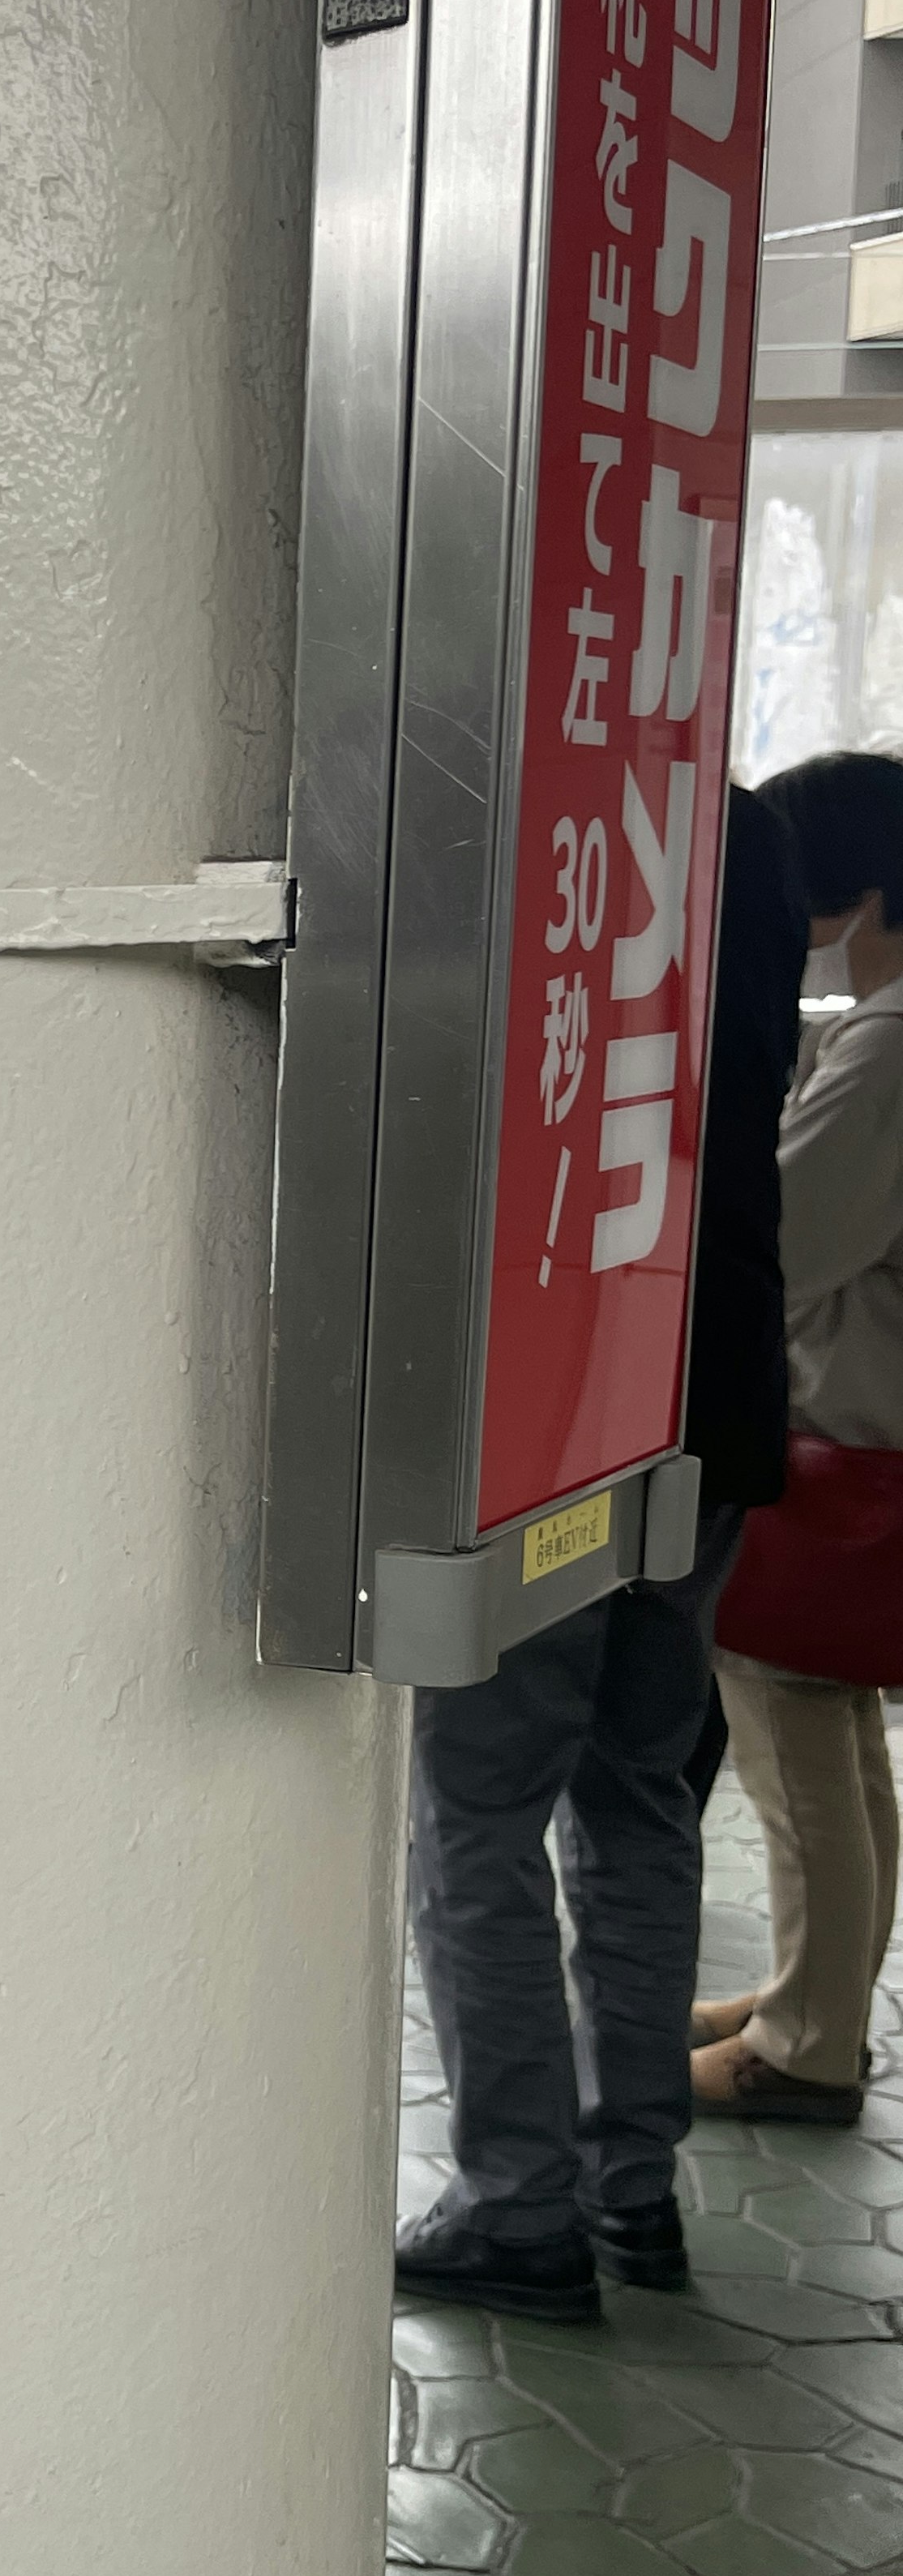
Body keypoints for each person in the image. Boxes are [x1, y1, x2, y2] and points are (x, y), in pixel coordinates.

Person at [396, 783, 809, 2319]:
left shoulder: (528, 825)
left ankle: (517, 2206)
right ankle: (632, 2190)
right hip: (718, 1392)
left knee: (478, 1807)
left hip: (558, 1398)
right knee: (639, 1797)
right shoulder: (748, 830)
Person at [695, 750, 903, 2122]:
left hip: (844, 1426)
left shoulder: (891, 1038)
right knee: (841, 1739)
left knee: (795, 1732)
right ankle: (807, 1993)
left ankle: (809, 2040)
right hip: (878, 1426)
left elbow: (805, 1228)